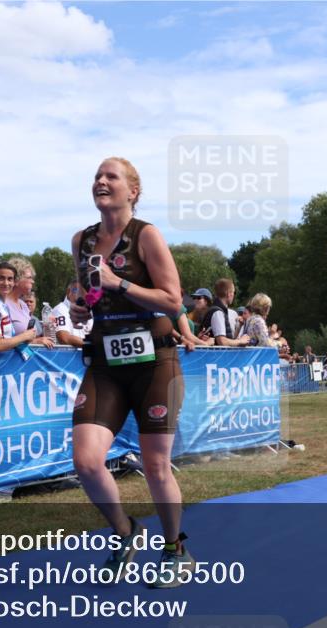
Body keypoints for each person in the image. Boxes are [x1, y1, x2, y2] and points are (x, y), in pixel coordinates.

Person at [67, 157, 190, 588]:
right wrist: (83, 305)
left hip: (154, 360)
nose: (101, 181)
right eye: (97, 177)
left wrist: (120, 284)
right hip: (105, 361)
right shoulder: (81, 241)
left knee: (156, 466)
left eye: (111, 177)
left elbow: (174, 301)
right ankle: (126, 532)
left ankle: (175, 548)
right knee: (85, 460)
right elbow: (90, 296)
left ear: (132, 191)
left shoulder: (147, 235)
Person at [0, 261, 54, 352]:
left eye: (10, 279)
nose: (6, 283)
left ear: (14, 282)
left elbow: (9, 339)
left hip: (5, 361)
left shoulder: (1, 304)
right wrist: (24, 336)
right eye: (1, 278)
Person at [205, 278, 250, 347]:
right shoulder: (218, 312)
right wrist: (240, 341)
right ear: (229, 293)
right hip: (217, 356)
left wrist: (239, 327)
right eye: (233, 292)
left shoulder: (219, 311)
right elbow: (222, 341)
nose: (233, 295)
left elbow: (228, 339)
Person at [6, 258, 42, 338]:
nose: (33, 281)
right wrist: (35, 342)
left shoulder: (23, 305)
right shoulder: (1, 305)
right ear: (17, 279)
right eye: (29, 278)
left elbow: (29, 336)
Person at [52, 279, 93, 348]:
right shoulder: (60, 309)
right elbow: (64, 338)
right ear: (68, 292)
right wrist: (91, 345)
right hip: (66, 356)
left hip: (86, 354)